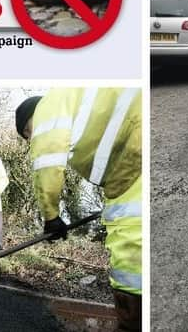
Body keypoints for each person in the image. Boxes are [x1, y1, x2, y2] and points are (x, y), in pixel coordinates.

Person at [15, 88, 142, 331]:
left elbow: (47, 166)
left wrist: (51, 217)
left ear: (31, 117)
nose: (31, 139)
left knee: (130, 254)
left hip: (132, 155)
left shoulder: (47, 109)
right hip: (132, 153)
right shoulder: (76, 102)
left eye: (28, 132)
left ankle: (133, 321)